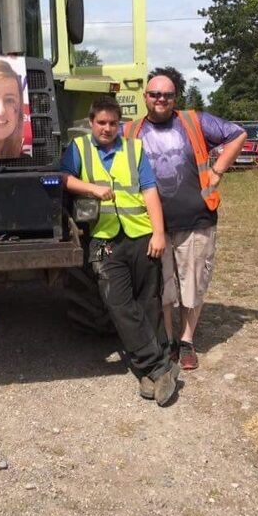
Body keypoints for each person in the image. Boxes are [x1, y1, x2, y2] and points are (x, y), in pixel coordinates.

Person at [124, 71, 247, 370]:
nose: (160, 99)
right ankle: (167, 341)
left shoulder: (194, 121)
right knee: (164, 288)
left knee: (193, 284)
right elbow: (100, 145)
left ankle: (187, 340)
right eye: (154, 94)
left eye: (166, 94)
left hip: (197, 219)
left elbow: (238, 133)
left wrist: (217, 171)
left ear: (175, 97)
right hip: (154, 226)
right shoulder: (130, 130)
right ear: (145, 97)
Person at [62, 96, 180, 406]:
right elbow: (63, 178)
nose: (107, 128)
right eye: (101, 122)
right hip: (105, 240)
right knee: (118, 304)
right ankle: (160, 366)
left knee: (149, 303)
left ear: (120, 125)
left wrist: (158, 233)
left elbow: (150, 190)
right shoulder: (80, 149)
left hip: (141, 236)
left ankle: (147, 372)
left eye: (113, 123)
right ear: (92, 123)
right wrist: (92, 189)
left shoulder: (134, 148)